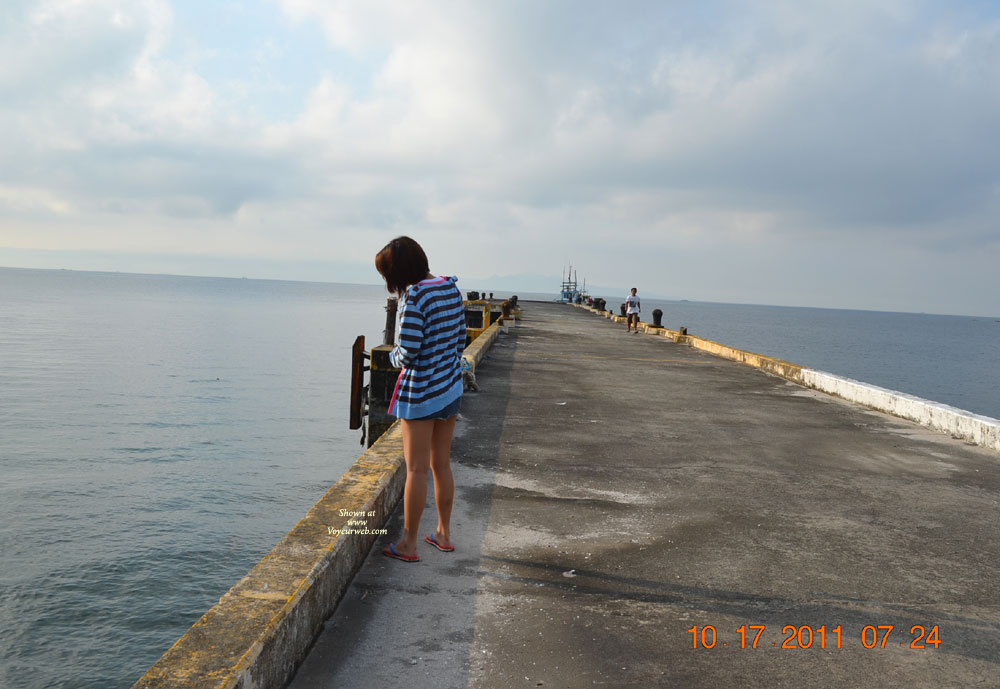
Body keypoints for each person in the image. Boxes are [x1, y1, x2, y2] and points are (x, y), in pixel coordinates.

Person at [374, 236, 466, 563]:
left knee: (415, 470)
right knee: (441, 465)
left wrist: (393, 358)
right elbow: (459, 340)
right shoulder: (448, 287)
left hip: (421, 393)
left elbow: (408, 351)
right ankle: (443, 534)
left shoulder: (415, 296)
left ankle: (409, 544)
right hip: (450, 387)